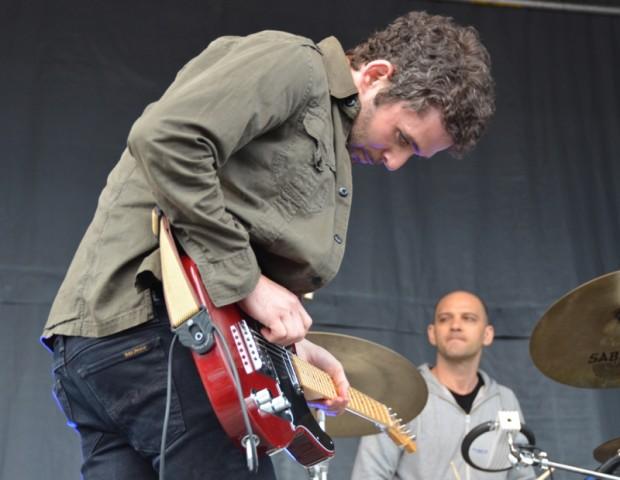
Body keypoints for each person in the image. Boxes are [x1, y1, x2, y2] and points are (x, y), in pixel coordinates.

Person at [42, 11, 495, 480]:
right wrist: (249, 283)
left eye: (413, 156)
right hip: (158, 339)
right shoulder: (296, 66)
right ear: (378, 75)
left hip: (116, 344)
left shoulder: (328, 130)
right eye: (402, 138)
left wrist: (288, 353)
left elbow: (230, 244)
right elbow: (166, 140)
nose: (395, 162)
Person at [351, 291, 535, 480]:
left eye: (468, 318)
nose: (455, 326)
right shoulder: (402, 395)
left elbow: (523, 475)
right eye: (445, 319)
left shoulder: (505, 400)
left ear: (487, 334)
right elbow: (368, 475)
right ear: (432, 333)